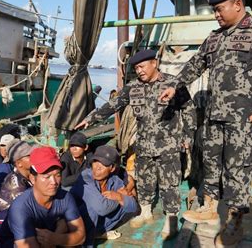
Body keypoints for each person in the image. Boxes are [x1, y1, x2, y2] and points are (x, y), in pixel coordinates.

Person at [159, 0, 252, 246]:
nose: (216, 14)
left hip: (244, 117)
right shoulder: (215, 37)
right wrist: (174, 85)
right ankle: (210, 206)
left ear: (238, 5)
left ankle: (235, 222)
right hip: (215, 114)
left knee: (237, 170)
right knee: (212, 163)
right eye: (214, 10)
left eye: (219, 9)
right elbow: (196, 63)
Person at [75, 49, 195, 239]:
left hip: (169, 146)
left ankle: (171, 220)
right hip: (144, 145)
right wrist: (91, 118)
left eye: (142, 66)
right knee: (145, 180)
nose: (139, 71)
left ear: (154, 63)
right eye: (136, 68)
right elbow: (114, 104)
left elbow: (188, 109)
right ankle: (145, 210)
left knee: (169, 183)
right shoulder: (133, 87)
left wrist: (188, 136)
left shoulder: (173, 83)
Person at [0, 146, 85, 248]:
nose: (53, 182)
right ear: (32, 178)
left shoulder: (65, 197)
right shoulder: (20, 207)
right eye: (46, 177)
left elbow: (80, 236)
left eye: (57, 175)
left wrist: (54, 238)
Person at [70, 145, 138, 245]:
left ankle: (97, 233)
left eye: (103, 164)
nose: (97, 167)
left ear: (112, 168)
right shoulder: (85, 177)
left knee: (126, 206)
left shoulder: (115, 181)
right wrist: (120, 196)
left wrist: (119, 197)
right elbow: (101, 208)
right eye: (95, 162)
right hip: (74, 225)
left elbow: (133, 208)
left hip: (96, 224)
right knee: (93, 209)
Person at [0, 140, 34, 226]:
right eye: (29, 156)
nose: (34, 157)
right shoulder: (16, 186)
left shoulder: (27, 175)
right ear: (19, 164)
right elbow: (25, 213)